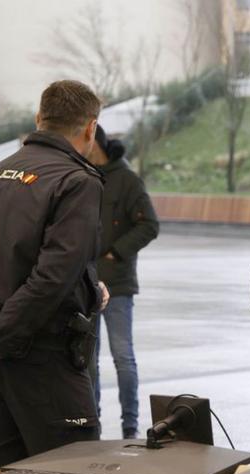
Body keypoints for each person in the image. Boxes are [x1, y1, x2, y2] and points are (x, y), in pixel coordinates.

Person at [0, 80, 107, 471]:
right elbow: (52, 277)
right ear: (90, 128)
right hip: (44, 359)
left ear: (38, 120)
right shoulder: (77, 181)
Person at [87, 125, 159, 439]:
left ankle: (130, 426)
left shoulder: (127, 180)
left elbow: (149, 225)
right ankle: (92, 421)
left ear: (94, 141)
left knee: (122, 356)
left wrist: (116, 254)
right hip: (85, 284)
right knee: (87, 359)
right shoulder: (81, 177)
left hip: (116, 285)